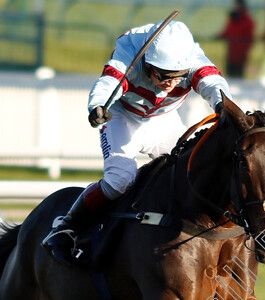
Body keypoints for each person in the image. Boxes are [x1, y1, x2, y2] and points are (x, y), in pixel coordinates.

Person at [42, 20, 231, 266]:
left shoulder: (190, 57)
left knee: (193, 171)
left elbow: (212, 83)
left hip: (164, 120)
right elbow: (109, 82)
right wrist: (98, 105)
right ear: (147, 63)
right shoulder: (130, 53)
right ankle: (67, 224)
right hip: (123, 117)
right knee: (120, 180)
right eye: (162, 75)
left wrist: (223, 105)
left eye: (178, 77)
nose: (170, 83)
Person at [218, 0, 255, 78]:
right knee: (229, 75)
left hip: (240, 54)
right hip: (231, 52)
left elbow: (249, 38)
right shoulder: (233, 18)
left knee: (238, 76)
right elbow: (227, 32)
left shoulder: (247, 20)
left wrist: (245, 52)